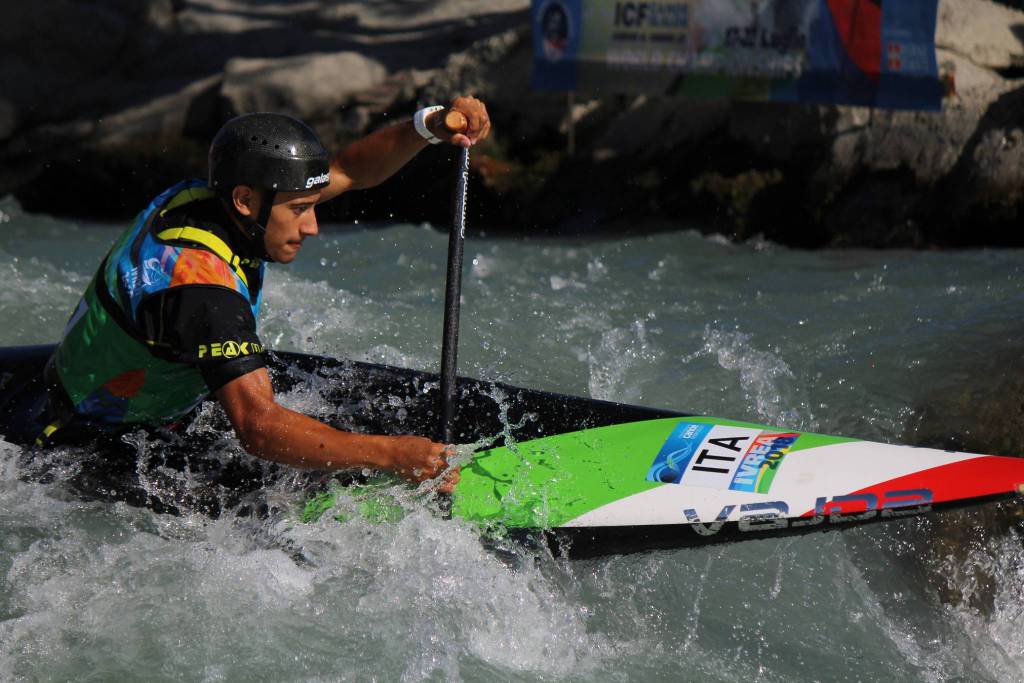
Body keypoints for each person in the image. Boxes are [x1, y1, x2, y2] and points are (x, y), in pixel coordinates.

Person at [41, 97, 491, 493]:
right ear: (244, 200)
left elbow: (351, 171)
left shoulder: (209, 199)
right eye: (299, 211)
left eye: (311, 207)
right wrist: (392, 457)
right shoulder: (202, 293)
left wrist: (428, 126)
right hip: (98, 449)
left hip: (158, 399)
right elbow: (258, 428)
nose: (312, 226)